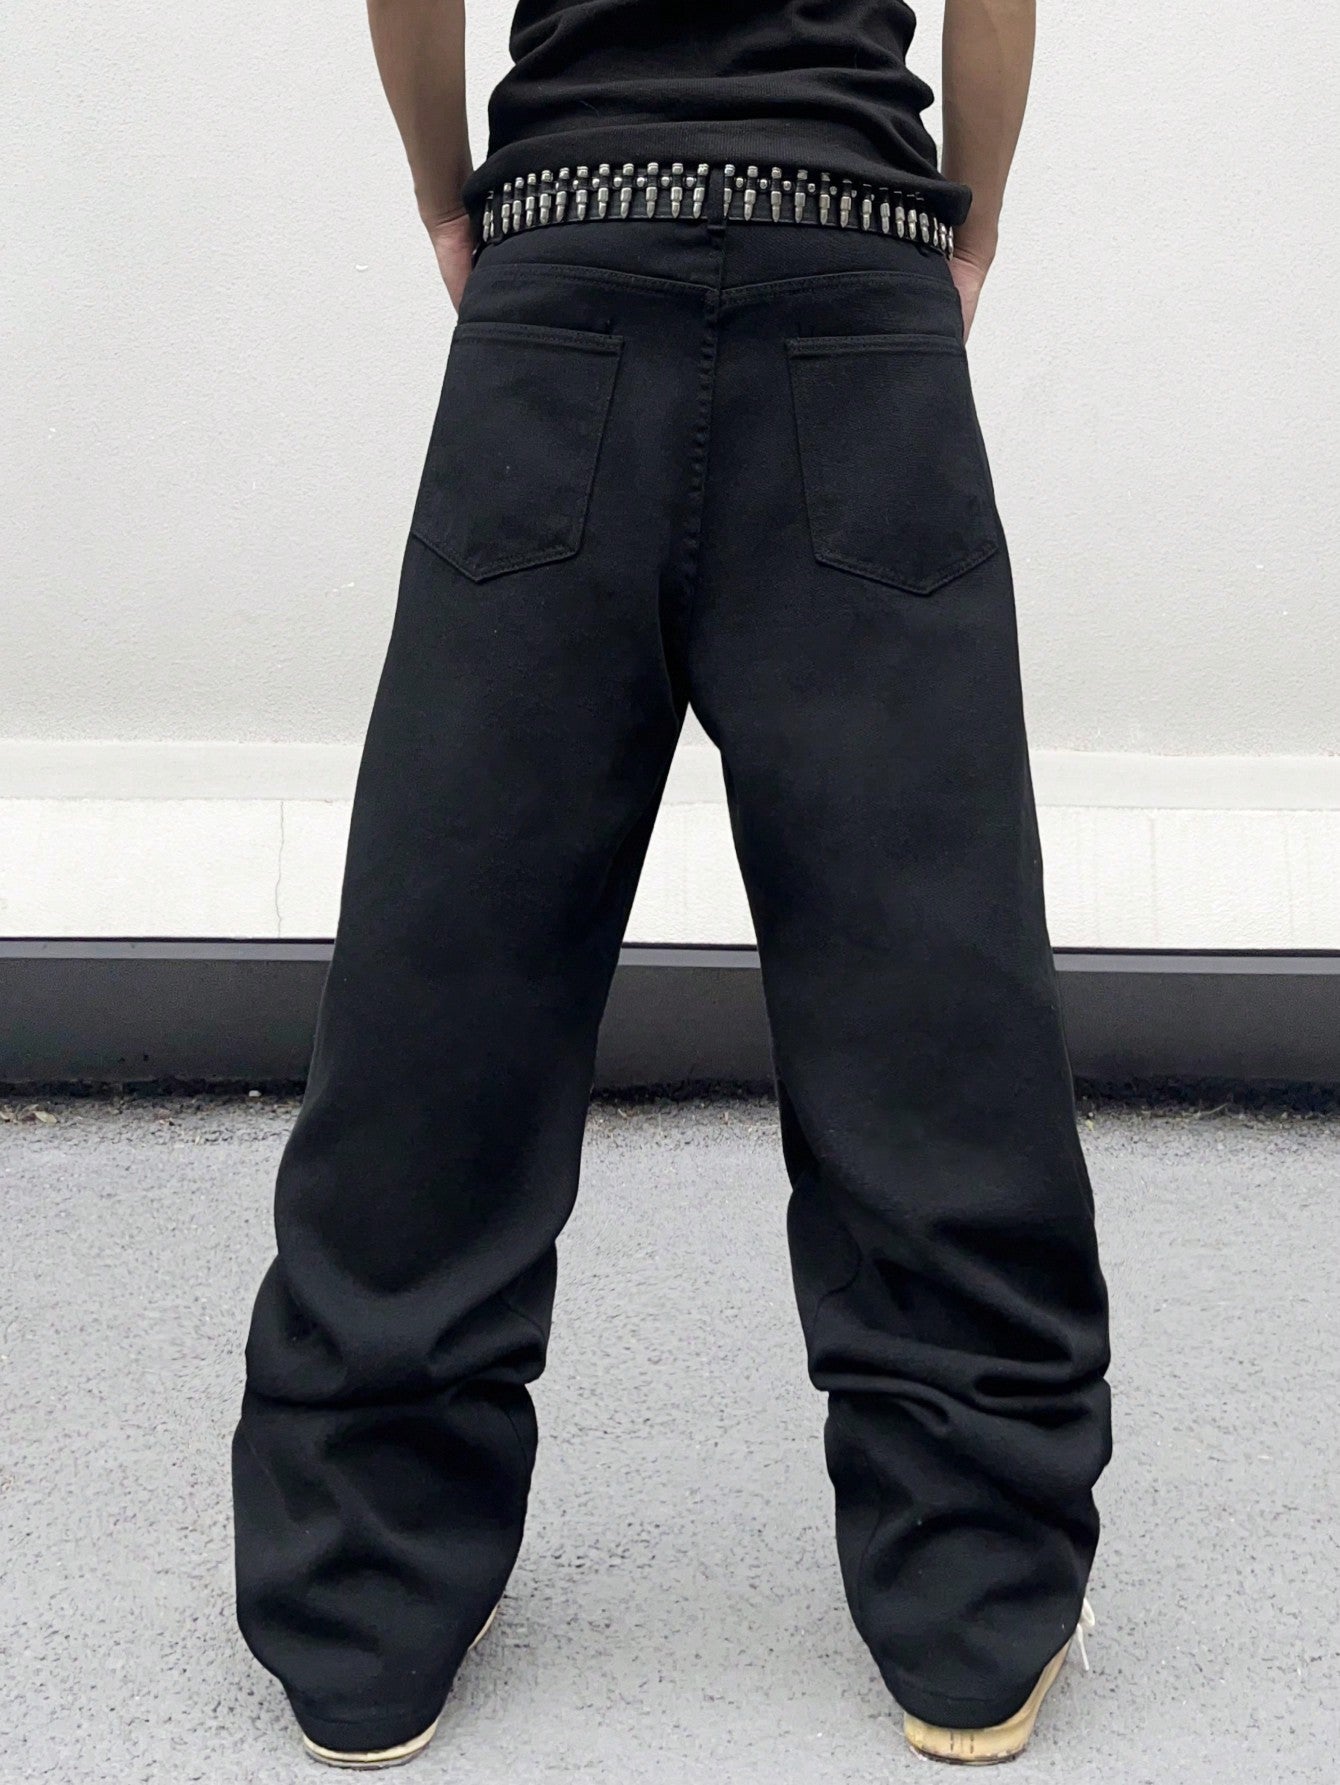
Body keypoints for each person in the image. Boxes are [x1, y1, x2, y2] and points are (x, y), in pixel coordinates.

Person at [232, 0, 1111, 1767]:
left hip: (568, 263)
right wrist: (971, 222)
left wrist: (449, 198)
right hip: (855, 270)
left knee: (450, 965)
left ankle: (362, 1604)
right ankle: (974, 1602)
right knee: (926, 971)